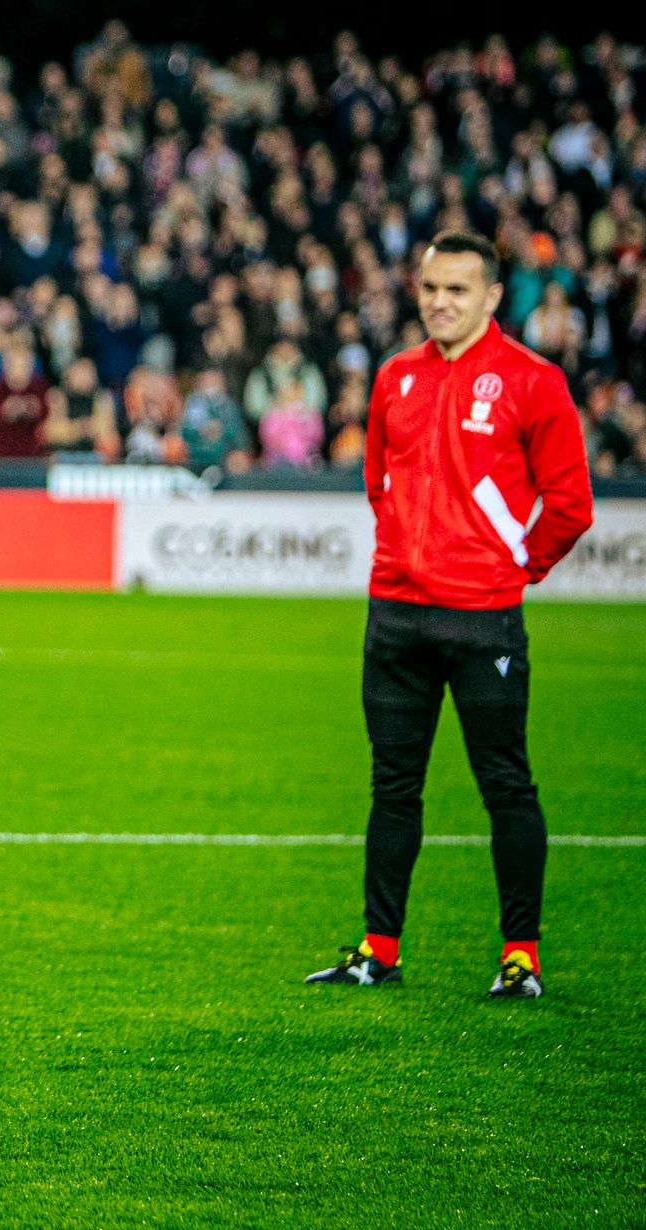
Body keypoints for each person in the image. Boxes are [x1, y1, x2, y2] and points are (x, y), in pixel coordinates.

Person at [306, 231, 593, 999]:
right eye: (431, 288)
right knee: (392, 786)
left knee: (506, 785)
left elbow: (570, 506)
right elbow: (378, 481)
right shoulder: (396, 376)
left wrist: (514, 566)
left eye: (458, 290)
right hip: (396, 614)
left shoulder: (534, 382)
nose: (440, 302)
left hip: (482, 620)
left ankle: (521, 955)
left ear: (493, 297)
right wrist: (402, 552)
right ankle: (378, 947)